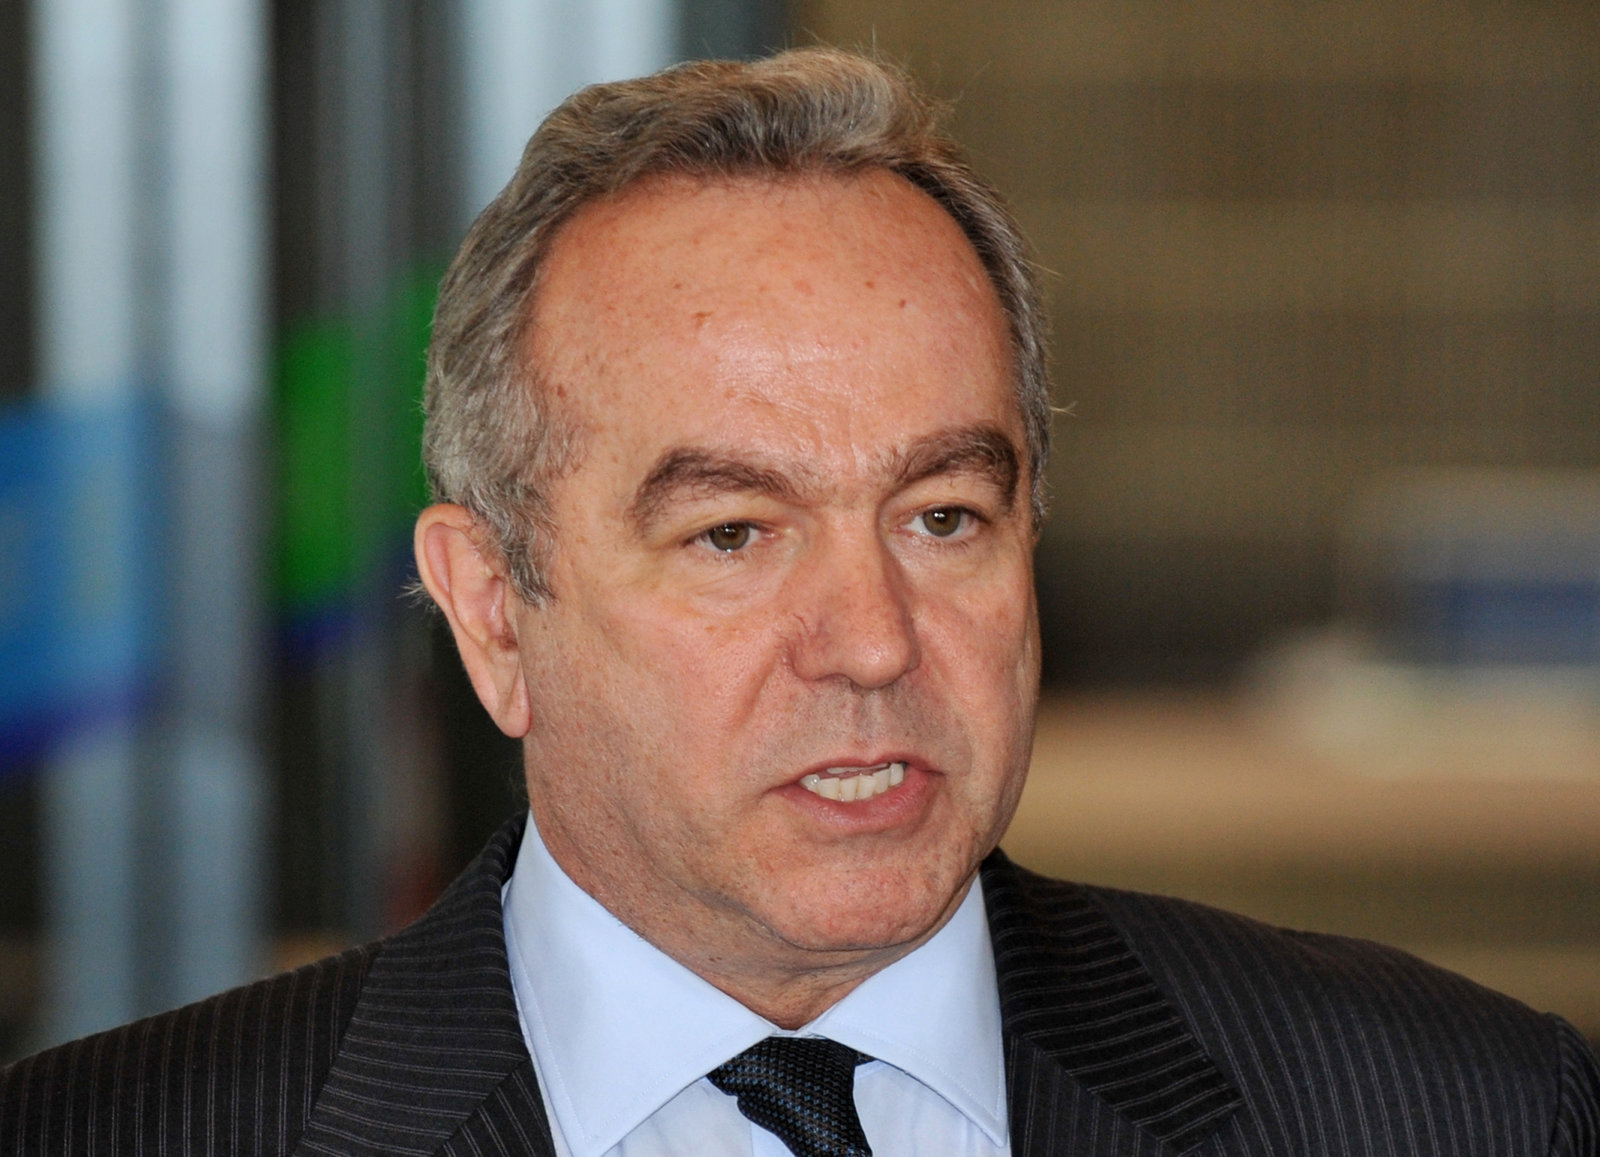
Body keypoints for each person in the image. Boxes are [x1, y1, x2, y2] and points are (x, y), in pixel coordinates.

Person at [3, 47, 1597, 1157]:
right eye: (733, 535)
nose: (874, 641)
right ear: (492, 612)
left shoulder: (1463, 1113)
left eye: (944, 515)